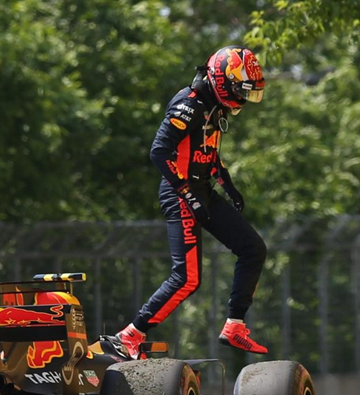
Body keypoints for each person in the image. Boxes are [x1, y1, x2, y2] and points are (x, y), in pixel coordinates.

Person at [114, 45, 269, 358]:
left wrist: (228, 184)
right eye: (240, 90)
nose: (242, 99)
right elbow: (159, 151)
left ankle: (235, 325)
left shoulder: (216, 105)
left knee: (253, 249)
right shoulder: (190, 104)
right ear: (223, 81)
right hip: (179, 193)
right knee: (187, 278)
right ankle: (130, 335)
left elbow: (208, 153)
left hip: (203, 191)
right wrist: (186, 194)